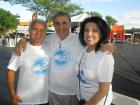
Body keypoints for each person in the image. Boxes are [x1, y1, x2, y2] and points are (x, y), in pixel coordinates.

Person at [14, 11, 114, 105]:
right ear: (53, 25)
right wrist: (23, 40)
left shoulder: (79, 40)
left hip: (73, 93)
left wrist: (106, 44)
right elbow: (35, 39)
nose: (61, 26)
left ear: (70, 24)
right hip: (52, 91)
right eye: (57, 23)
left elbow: (93, 44)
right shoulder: (49, 39)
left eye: (64, 23)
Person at [7, 19, 50, 105]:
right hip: (24, 100)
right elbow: (11, 71)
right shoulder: (21, 49)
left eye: (42, 30)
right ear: (29, 31)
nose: (38, 33)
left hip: (44, 100)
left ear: (45, 33)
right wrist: (12, 93)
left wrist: (23, 39)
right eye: (35, 29)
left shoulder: (49, 46)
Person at [77, 16, 114, 105]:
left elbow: (103, 90)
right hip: (81, 99)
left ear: (101, 34)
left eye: (95, 30)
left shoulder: (105, 56)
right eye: (86, 30)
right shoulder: (83, 50)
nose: (89, 34)